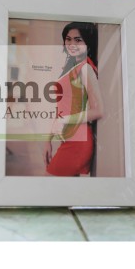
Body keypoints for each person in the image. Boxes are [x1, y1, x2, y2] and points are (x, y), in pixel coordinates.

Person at [44, 22, 104, 176]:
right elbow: (61, 110)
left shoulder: (85, 68)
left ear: (87, 43)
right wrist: (48, 141)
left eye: (78, 40)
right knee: (65, 189)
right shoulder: (71, 67)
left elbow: (98, 110)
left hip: (78, 142)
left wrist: (64, 120)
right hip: (68, 139)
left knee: (49, 184)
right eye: (68, 39)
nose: (72, 44)